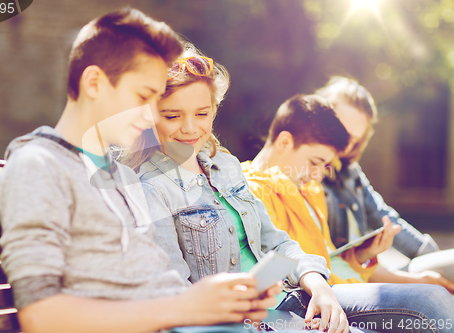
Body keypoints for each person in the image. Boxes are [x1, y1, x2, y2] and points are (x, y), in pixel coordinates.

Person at [0, 8, 287, 333]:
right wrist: (186, 307)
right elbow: (40, 317)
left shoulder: (121, 177)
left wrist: (224, 302)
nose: (152, 117)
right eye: (143, 96)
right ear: (94, 82)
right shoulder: (40, 165)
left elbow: (156, 286)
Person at [132, 45, 353, 333]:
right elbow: (177, 297)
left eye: (202, 114)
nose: (190, 128)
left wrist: (318, 283)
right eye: (173, 116)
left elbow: (276, 243)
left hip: (291, 298)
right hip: (251, 323)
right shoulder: (150, 190)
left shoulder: (226, 165)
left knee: (426, 301)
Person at [241, 93, 454, 332]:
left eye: (324, 165)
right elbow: (284, 265)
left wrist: (361, 255)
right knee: (431, 300)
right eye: (314, 162)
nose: (320, 175)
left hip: (335, 285)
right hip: (308, 296)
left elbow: (324, 255)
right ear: (283, 143)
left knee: (434, 297)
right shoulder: (251, 190)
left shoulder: (309, 190)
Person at [316, 76, 454, 286]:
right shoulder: (306, 178)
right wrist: (418, 280)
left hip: (369, 273)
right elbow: (336, 263)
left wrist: (429, 255)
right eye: (341, 131)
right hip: (351, 280)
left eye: (354, 139)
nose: (345, 145)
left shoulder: (350, 172)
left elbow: (386, 217)